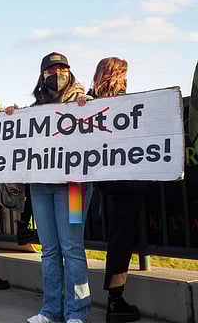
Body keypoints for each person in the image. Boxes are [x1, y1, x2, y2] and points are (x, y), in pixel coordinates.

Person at [6, 52, 91, 323]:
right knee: (50, 250)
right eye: (51, 70)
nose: (57, 75)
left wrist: (86, 106)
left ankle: (77, 312)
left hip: (75, 189)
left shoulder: (84, 102)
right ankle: (51, 310)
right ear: (42, 77)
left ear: (70, 72)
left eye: (62, 69)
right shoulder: (34, 111)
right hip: (41, 188)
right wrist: (10, 118)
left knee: (72, 248)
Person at [89, 57, 146, 323]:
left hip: (93, 182)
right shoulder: (125, 103)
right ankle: (115, 299)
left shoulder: (86, 102)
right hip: (124, 181)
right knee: (121, 239)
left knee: (76, 233)